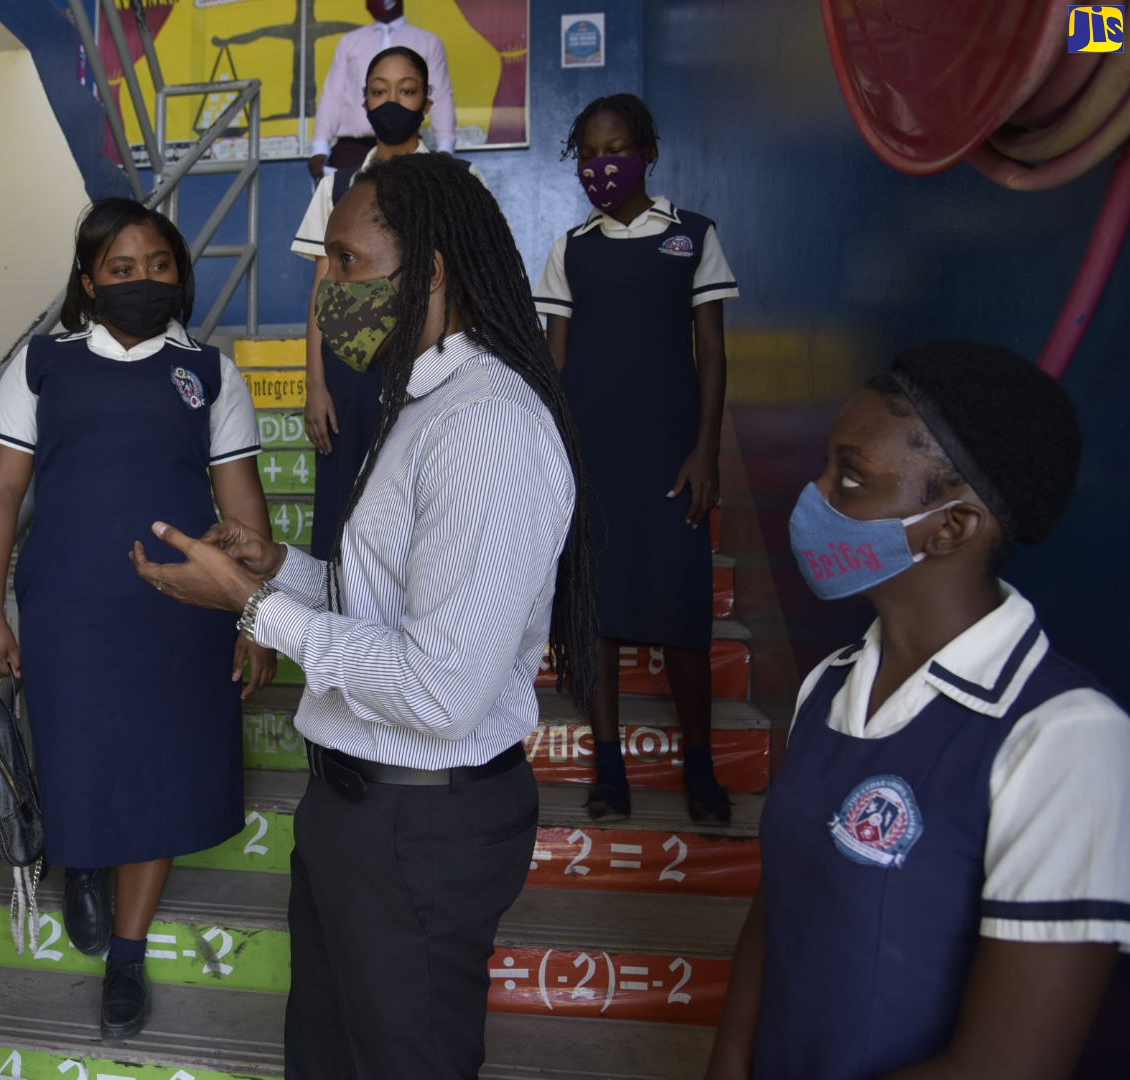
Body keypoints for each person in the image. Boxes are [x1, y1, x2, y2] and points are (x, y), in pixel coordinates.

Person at [132, 152, 598, 1078]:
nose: (327, 290)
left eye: (345, 263)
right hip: (359, 809)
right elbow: (394, 609)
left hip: (418, 828)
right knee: (329, 1057)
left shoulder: (485, 424)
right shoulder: (420, 404)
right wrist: (283, 569)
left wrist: (256, 609)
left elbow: (439, 689)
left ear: (428, 270)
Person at [704, 341, 1130, 1080]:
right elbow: (781, 912)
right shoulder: (828, 688)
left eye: (851, 478)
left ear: (952, 528)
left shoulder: (1065, 737)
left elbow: (1006, 1067)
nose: (815, 497)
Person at [0, 198, 274, 1041]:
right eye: (122, 269)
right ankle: (86, 863)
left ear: (183, 274)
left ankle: (129, 958)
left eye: (161, 267)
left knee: (166, 768)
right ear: (88, 281)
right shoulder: (43, 365)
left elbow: (243, 503)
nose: (144, 282)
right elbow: (0, 490)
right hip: (68, 600)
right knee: (79, 752)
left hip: (185, 605)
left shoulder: (210, 373)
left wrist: (256, 613)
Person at [534, 92, 739, 824]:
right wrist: (551, 456)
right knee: (597, 612)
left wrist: (706, 451)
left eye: (614, 149)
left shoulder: (692, 236)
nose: (601, 165)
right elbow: (555, 360)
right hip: (591, 454)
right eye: (588, 155)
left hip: (669, 453)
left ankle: (700, 767)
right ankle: (609, 766)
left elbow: (710, 349)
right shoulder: (572, 248)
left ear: (646, 151)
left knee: (682, 613)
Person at [294, 45, 483, 559]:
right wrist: (316, 382)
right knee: (345, 513)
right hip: (349, 371)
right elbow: (323, 285)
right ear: (364, 101)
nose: (392, 100)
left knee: (423, 512)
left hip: (430, 363)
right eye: (379, 91)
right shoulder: (337, 183)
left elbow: (472, 287)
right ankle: (342, 634)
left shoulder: (459, 182)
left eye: (406, 90)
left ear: (428, 100)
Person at [309, 0, 456, 177]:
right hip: (353, 149)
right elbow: (333, 96)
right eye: (378, 91)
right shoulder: (350, 42)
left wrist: (445, 148)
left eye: (407, 90)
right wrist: (319, 148)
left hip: (407, 148)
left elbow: (441, 97)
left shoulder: (428, 42)